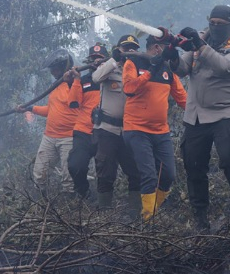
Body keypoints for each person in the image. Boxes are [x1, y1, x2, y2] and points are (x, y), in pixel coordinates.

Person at [163, 5, 230, 230]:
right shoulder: (198, 43)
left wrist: (199, 44)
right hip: (196, 116)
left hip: (225, 113)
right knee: (194, 167)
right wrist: (173, 56)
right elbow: (183, 69)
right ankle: (200, 219)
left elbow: (224, 66)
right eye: (212, 22)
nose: (215, 27)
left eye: (220, 24)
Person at [122, 33, 187, 221]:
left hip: (161, 131)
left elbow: (183, 99)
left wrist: (203, 114)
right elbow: (129, 89)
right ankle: (148, 221)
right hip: (136, 129)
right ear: (157, 48)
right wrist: (150, 70)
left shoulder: (169, 70)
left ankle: (151, 212)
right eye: (166, 47)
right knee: (149, 176)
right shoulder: (133, 63)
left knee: (168, 176)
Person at [17, 49, 78, 197]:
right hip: (49, 137)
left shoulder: (76, 86)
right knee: (39, 174)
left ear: (63, 67)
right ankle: (41, 206)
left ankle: (70, 211)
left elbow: (76, 104)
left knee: (68, 178)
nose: (51, 71)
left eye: (54, 68)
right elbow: (51, 110)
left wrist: (73, 81)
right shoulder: (56, 87)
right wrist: (30, 108)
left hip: (69, 137)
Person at [91, 35, 142, 212]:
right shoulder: (109, 68)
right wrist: (114, 59)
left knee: (136, 172)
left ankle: (135, 216)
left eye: (132, 48)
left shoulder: (138, 70)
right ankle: (104, 217)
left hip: (130, 130)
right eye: (125, 48)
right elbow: (96, 78)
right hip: (107, 130)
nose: (129, 51)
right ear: (118, 49)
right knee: (105, 173)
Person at [65, 44, 105, 199]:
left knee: (105, 169)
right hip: (83, 131)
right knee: (75, 166)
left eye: (100, 58)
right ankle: (83, 191)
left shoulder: (112, 78)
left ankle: (103, 202)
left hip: (104, 131)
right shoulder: (83, 80)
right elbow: (73, 102)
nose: (96, 61)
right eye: (93, 58)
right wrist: (75, 80)